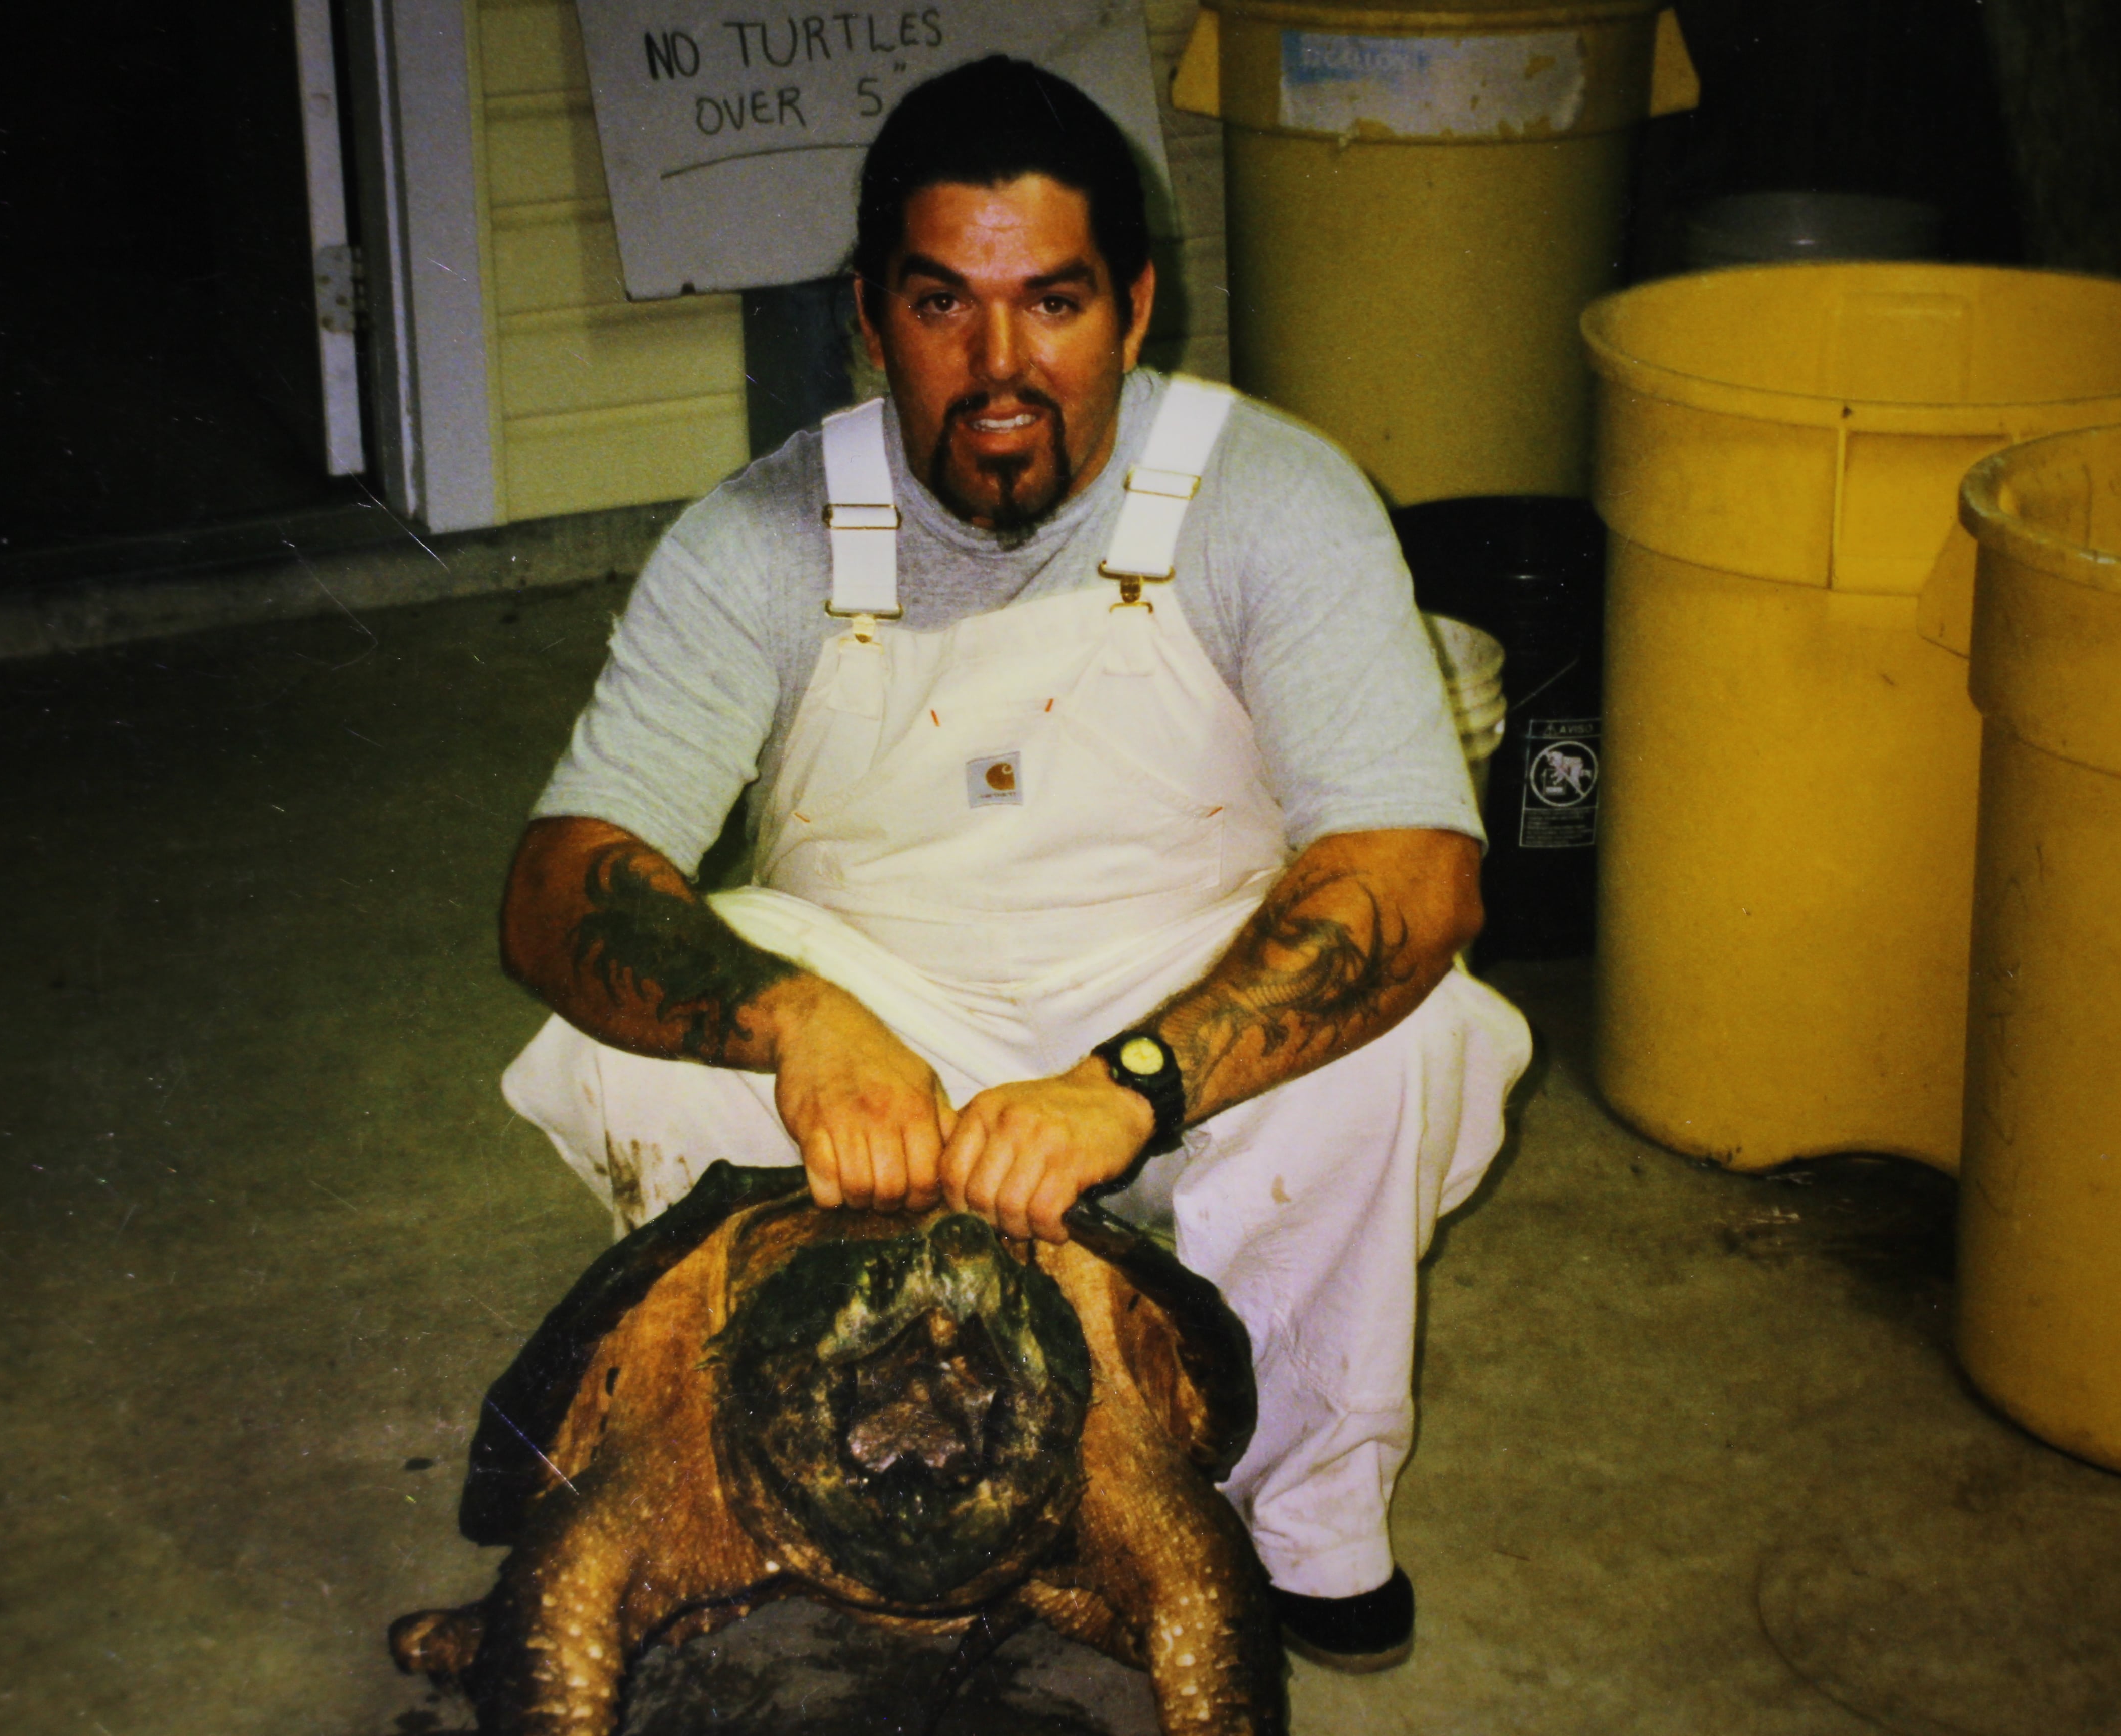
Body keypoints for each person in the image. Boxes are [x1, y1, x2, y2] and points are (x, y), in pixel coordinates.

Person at [497, 54, 1532, 1673]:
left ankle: (1289, 1516)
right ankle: (765, 1471)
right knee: (612, 1038)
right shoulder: (758, 535)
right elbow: (562, 881)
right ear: (867, 314)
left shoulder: (1275, 498)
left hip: (1175, 997)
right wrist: (798, 1026)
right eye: (941, 307)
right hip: (876, 1010)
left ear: (1133, 307)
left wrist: (1127, 1080)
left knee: (1415, 1023)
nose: (998, 368)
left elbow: (1418, 867)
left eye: (1051, 305)